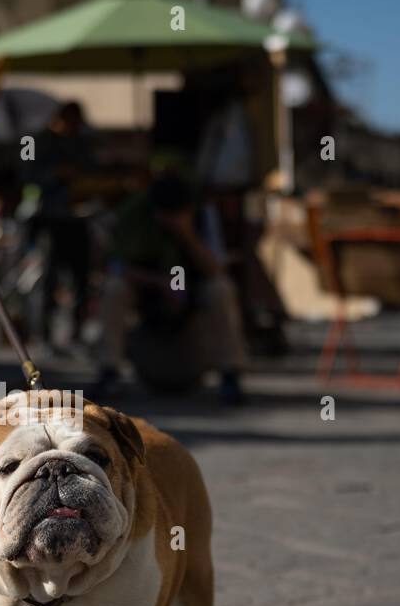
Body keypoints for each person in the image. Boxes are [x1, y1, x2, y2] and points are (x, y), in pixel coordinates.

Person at [92, 171, 247, 405]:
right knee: (114, 289)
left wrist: (186, 234)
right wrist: (160, 283)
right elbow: (116, 265)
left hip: (192, 285)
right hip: (148, 285)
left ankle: (230, 374)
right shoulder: (135, 213)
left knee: (221, 289)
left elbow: (215, 268)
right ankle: (109, 371)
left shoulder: (203, 214)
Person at [25, 102, 95, 351]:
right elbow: (26, 175)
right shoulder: (38, 142)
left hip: (78, 218)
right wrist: (55, 175)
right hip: (51, 219)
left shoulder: (82, 143)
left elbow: (92, 170)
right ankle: (44, 333)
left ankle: (76, 333)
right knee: (48, 278)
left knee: (81, 279)